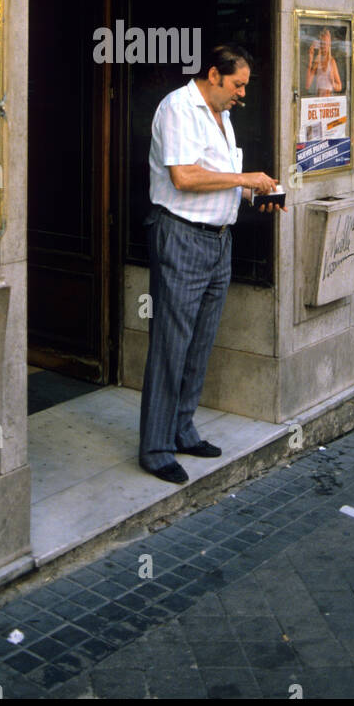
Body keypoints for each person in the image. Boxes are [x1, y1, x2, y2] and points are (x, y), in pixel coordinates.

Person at [139, 43, 285, 484]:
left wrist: (253, 194)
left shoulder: (223, 115)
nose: (242, 94)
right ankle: (156, 447)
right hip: (182, 236)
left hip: (218, 239)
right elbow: (183, 177)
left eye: (245, 86)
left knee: (200, 342)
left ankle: (182, 428)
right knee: (171, 343)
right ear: (213, 75)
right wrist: (244, 178)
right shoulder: (179, 108)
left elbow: (215, 178)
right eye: (237, 84)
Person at [305, 26, 342, 94]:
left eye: (326, 43)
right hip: (319, 101)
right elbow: (307, 85)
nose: (324, 46)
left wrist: (333, 83)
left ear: (329, 45)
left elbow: (339, 87)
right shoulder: (317, 61)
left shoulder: (332, 62)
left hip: (328, 100)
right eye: (322, 43)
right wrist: (310, 58)